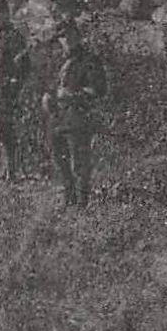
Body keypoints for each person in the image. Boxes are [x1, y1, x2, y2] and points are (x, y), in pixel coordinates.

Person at [44, 20, 107, 207]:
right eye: (63, 37)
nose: (67, 40)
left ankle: (82, 203)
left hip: (78, 117)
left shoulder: (89, 60)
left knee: (79, 163)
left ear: (78, 37)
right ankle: (69, 199)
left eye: (70, 36)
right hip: (57, 117)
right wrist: (48, 96)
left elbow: (99, 90)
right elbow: (51, 84)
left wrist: (73, 95)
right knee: (60, 160)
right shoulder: (59, 60)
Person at [0, 1, 31, 181]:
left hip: (9, 90)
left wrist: (14, 85)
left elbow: (24, 65)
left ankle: (12, 170)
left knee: (8, 130)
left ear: (6, 14)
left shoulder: (14, 37)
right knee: (1, 130)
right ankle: (6, 168)